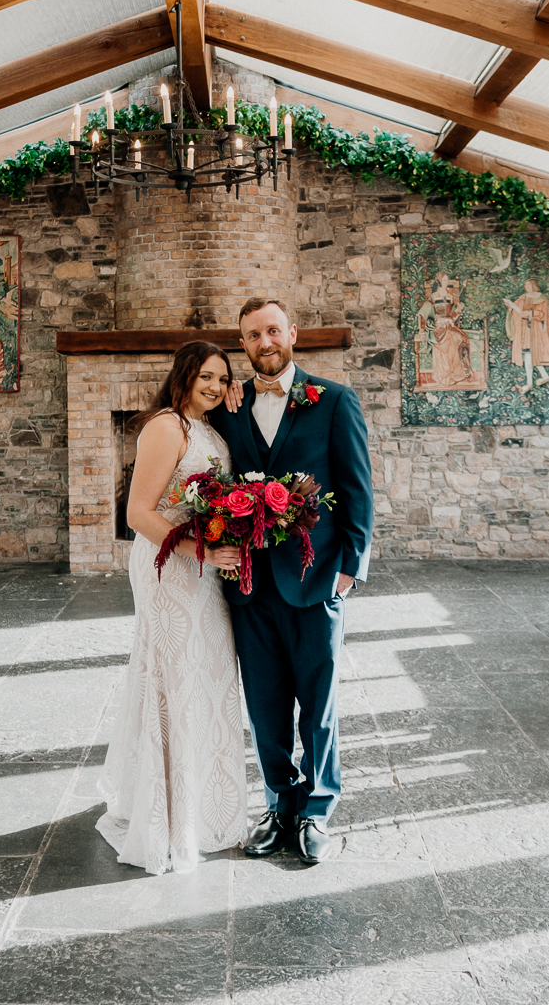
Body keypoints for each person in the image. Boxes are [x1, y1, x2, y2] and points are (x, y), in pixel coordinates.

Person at [208, 297, 374, 865]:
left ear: (292, 334)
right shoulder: (227, 409)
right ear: (244, 344)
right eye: (253, 335)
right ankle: (281, 801)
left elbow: (357, 492)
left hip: (316, 581)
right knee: (266, 703)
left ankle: (317, 808)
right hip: (249, 585)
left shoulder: (334, 401)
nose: (265, 342)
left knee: (319, 702)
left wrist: (351, 571)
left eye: (273, 330)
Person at [96, 341, 252, 874]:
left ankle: (208, 802)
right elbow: (138, 513)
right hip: (169, 566)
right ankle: (169, 813)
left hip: (203, 569)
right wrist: (200, 548)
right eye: (205, 376)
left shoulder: (207, 428)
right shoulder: (166, 426)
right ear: (184, 374)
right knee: (174, 675)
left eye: (221, 378)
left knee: (205, 675)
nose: (212, 385)